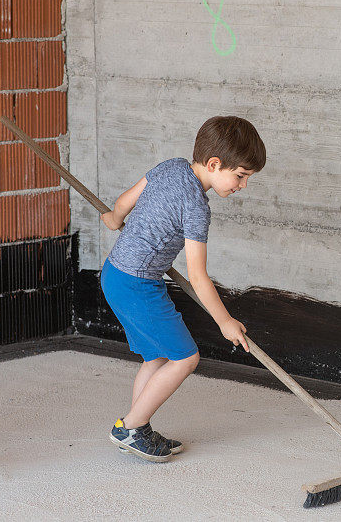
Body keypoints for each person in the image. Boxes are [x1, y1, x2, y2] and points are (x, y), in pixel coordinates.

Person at [99, 115, 266, 462]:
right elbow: (198, 275)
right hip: (137, 285)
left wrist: (114, 219)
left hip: (115, 274)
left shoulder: (171, 166)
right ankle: (131, 427)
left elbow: (126, 201)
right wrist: (225, 321)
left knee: (157, 356)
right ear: (215, 164)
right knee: (186, 358)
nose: (243, 186)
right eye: (241, 176)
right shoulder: (196, 208)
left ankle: (135, 427)